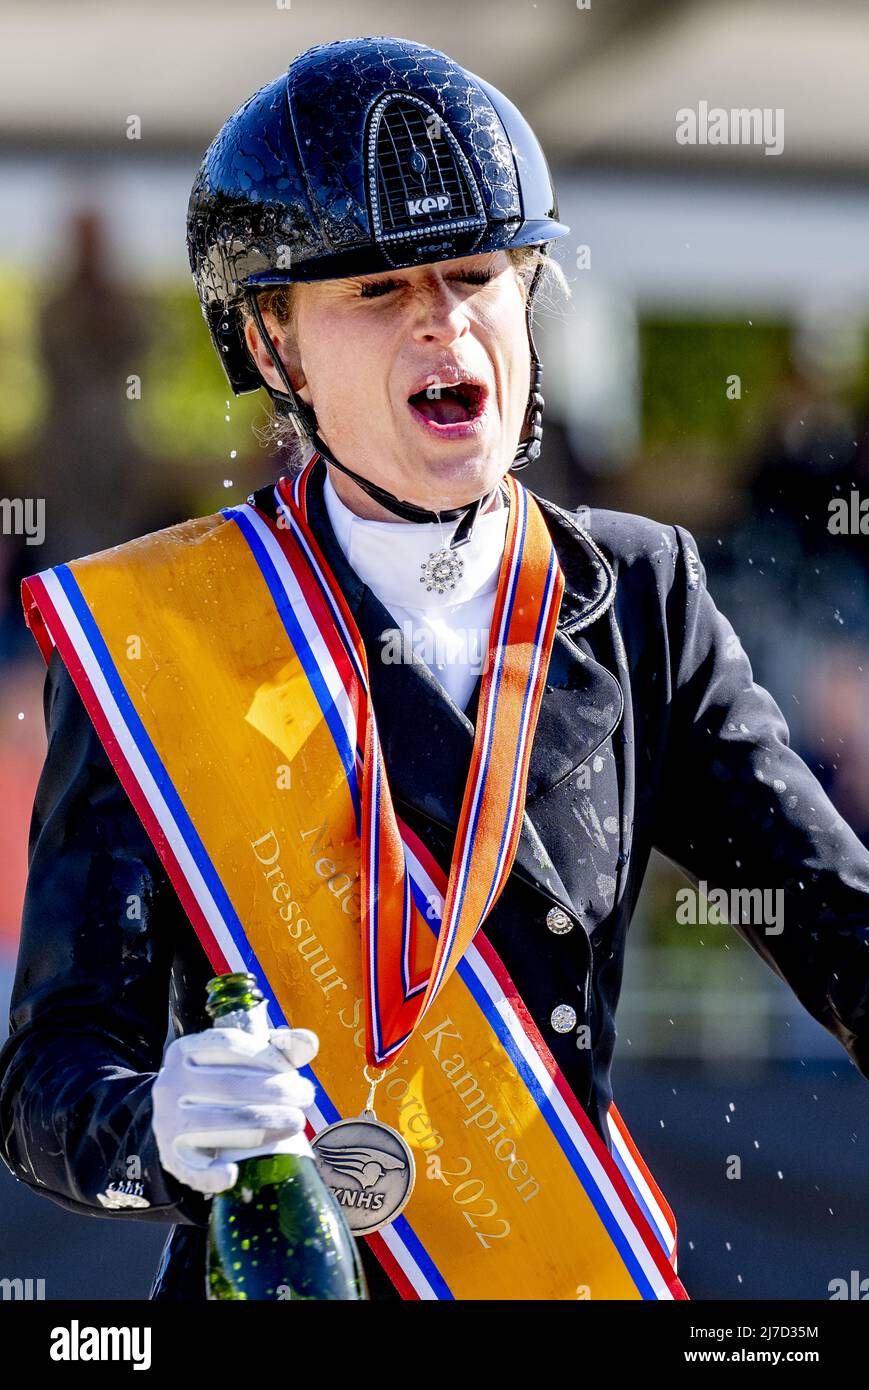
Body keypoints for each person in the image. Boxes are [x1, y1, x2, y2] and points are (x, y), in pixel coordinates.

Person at [2, 36, 869, 1304]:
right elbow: (48, 1078)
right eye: (376, 289)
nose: (443, 320)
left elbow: (840, 926)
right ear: (276, 343)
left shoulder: (640, 598)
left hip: (550, 1269)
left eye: (475, 273)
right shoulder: (156, 633)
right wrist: (154, 1131)